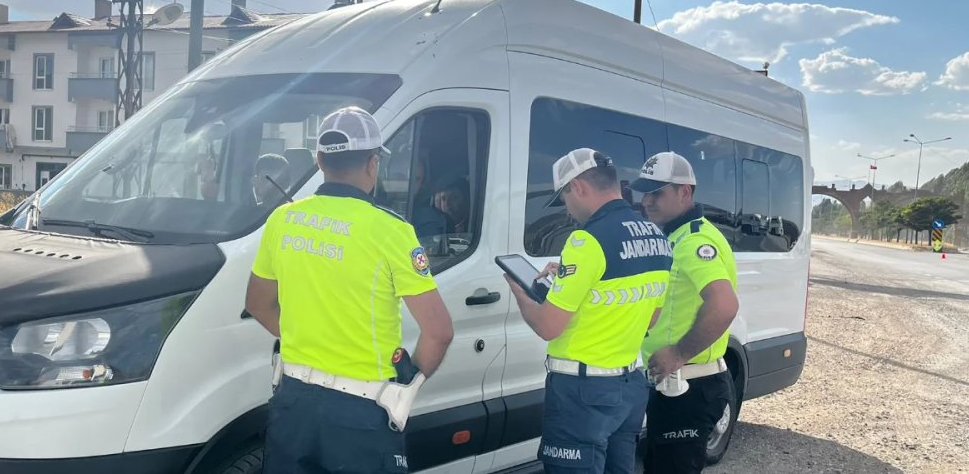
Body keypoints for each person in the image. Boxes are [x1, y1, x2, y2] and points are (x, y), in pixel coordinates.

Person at [245, 106, 455, 474]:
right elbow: (438, 332)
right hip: (361, 412)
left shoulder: (282, 219)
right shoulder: (391, 230)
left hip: (293, 402)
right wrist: (407, 384)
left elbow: (258, 304)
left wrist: (306, 333)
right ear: (373, 164)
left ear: (320, 159)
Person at [505, 148, 671, 474]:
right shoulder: (657, 237)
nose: (567, 210)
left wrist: (520, 292)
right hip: (629, 386)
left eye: (565, 199)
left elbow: (549, 326)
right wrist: (576, 278)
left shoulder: (586, 241)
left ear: (578, 187)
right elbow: (649, 317)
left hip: (582, 394)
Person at [631, 152, 740, 474]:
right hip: (674, 385)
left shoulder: (694, 242)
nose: (647, 201)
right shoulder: (674, 236)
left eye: (657, 193)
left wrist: (679, 352)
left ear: (684, 192)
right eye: (644, 192)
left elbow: (724, 305)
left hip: (690, 386)